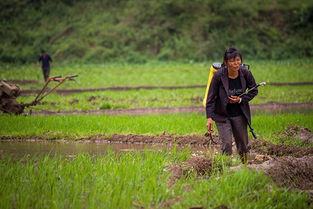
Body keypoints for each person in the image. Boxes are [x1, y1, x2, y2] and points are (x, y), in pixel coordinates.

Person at [206, 48, 258, 163]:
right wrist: (209, 117)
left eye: (238, 60)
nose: (236, 63)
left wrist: (240, 99)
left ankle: (245, 167)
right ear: (226, 62)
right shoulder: (219, 76)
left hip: (239, 114)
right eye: (232, 61)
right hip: (222, 115)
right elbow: (211, 97)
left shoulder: (246, 73)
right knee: (227, 144)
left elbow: (254, 90)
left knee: (243, 145)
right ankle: (225, 169)